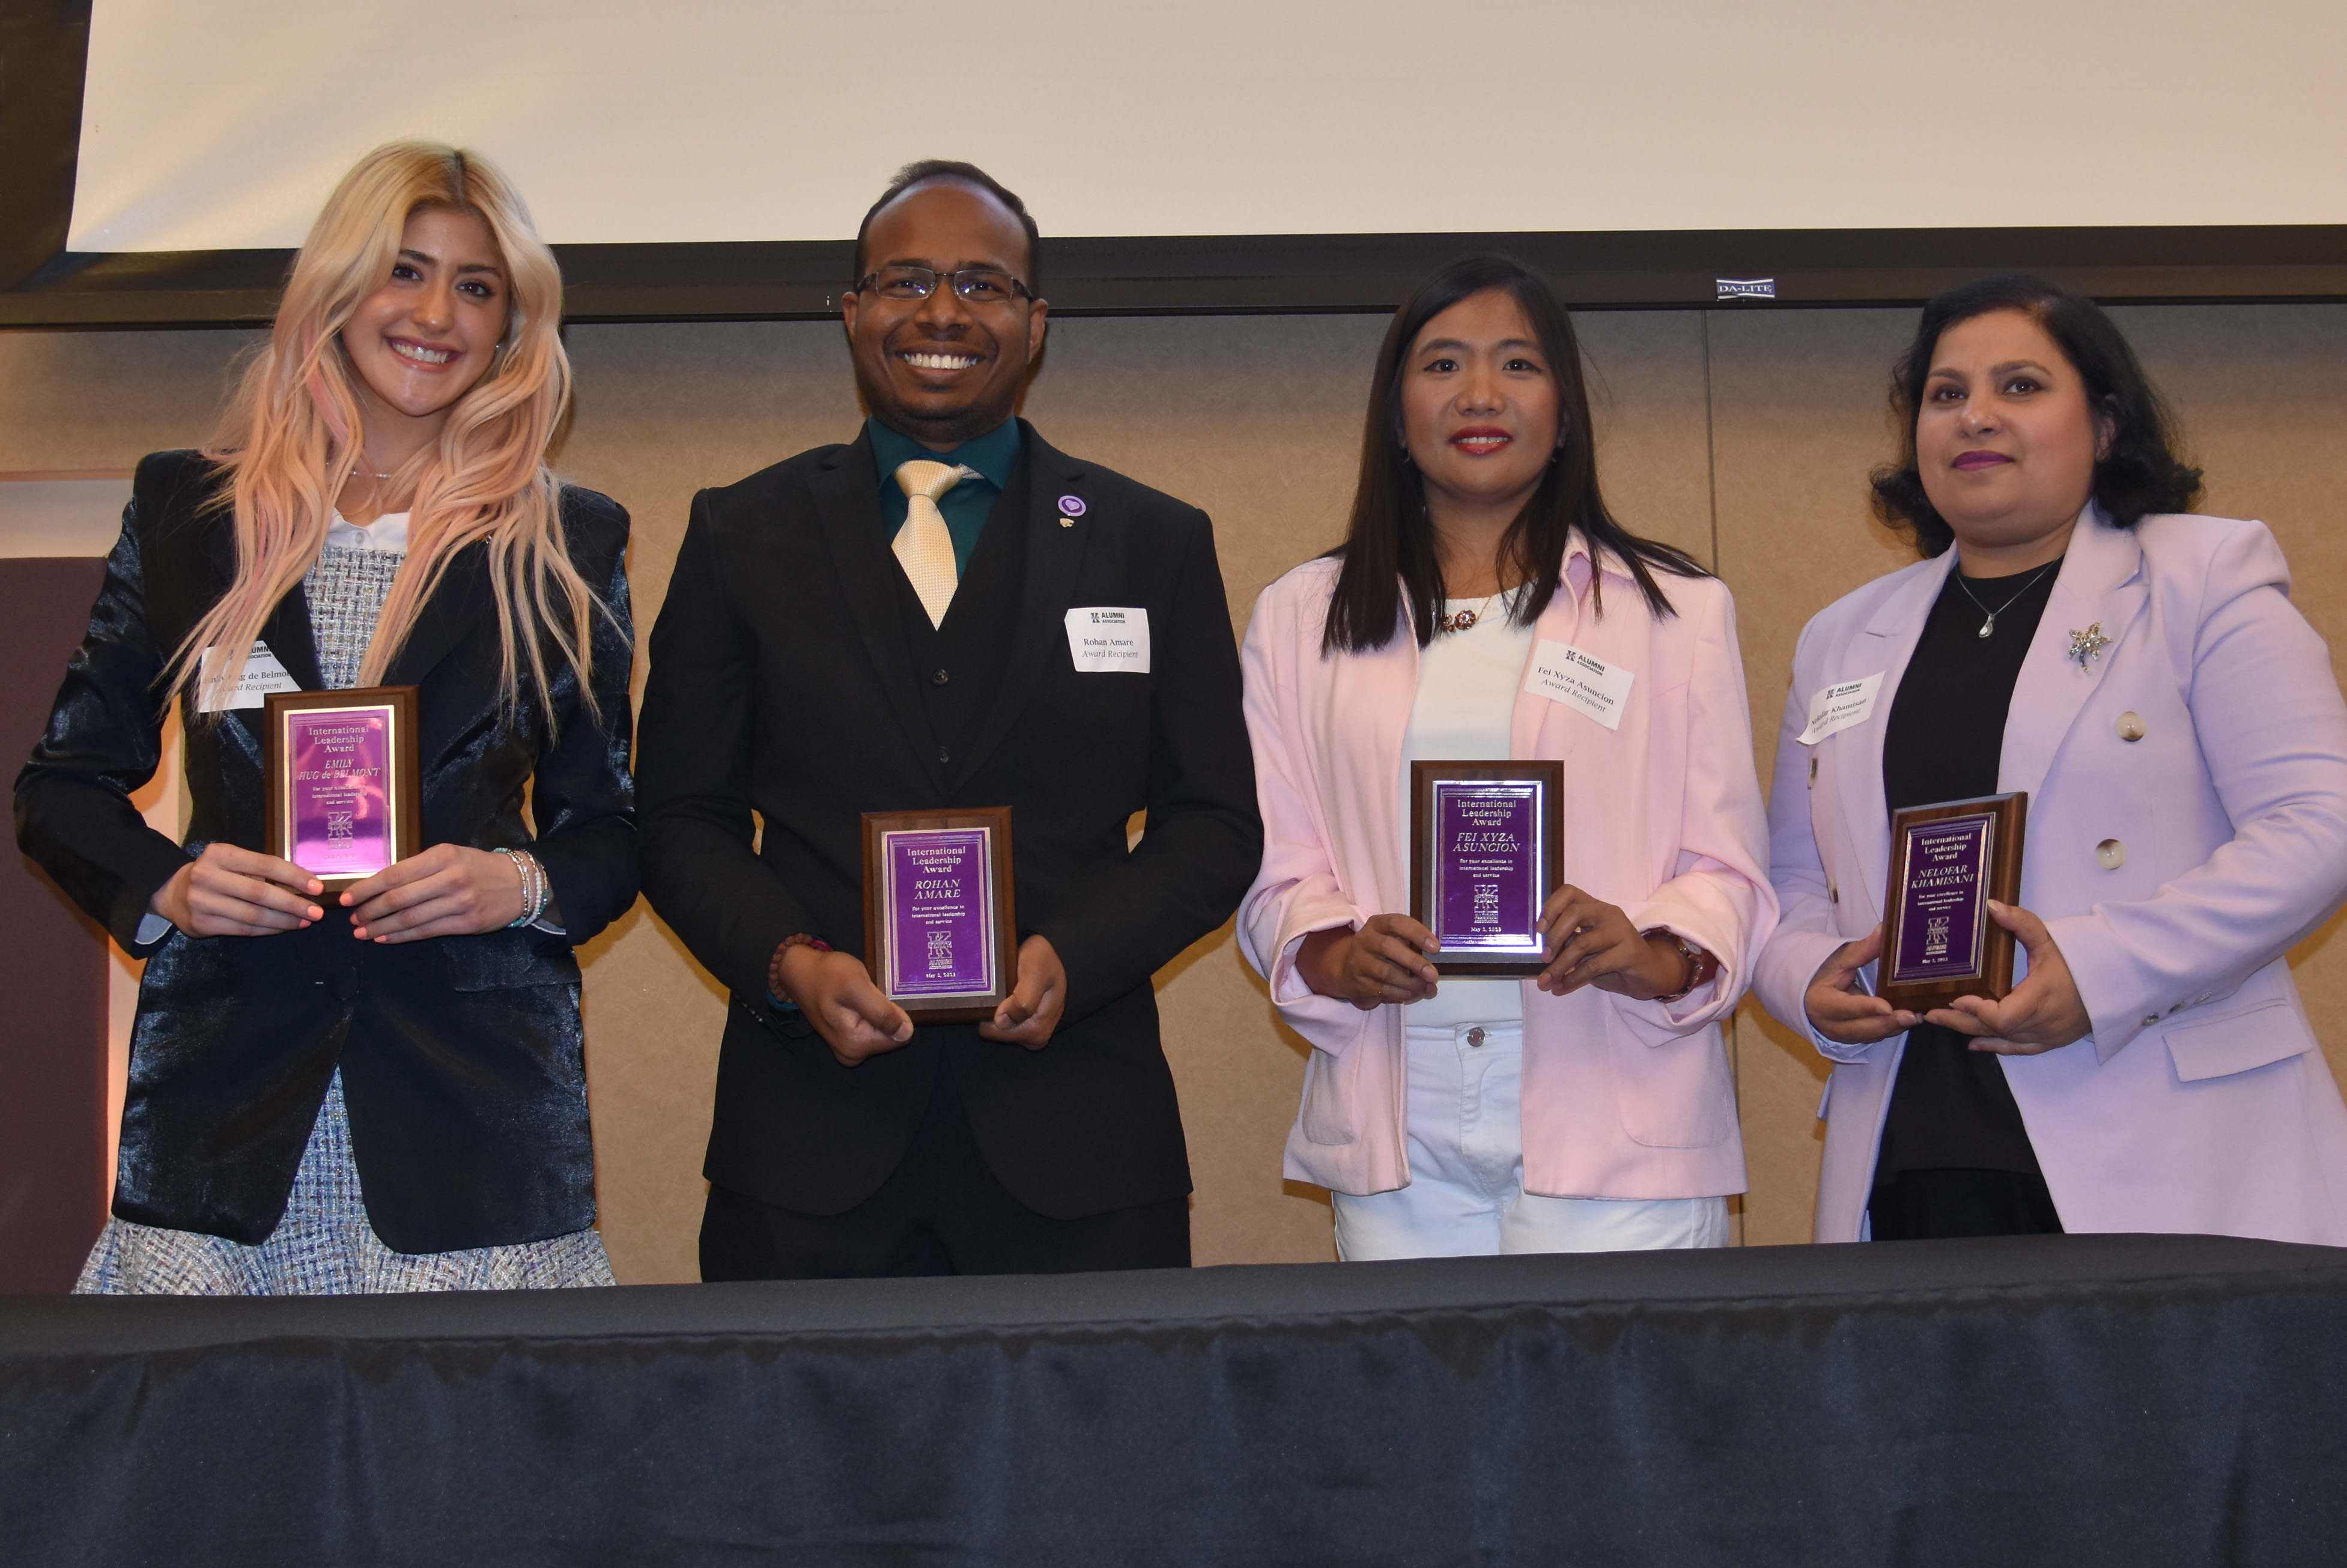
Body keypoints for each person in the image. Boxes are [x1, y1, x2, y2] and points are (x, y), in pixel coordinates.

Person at [14, 142, 637, 1293]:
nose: (435, 313)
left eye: (477, 286)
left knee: (472, 1472)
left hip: (475, 1128)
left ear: (511, 326)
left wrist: (522, 884)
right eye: (405, 271)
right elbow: (62, 787)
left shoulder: (566, 540)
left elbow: (612, 829)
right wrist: (169, 885)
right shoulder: (194, 513)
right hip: (221, 1118)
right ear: (340, 289)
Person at [635, 160, 1260, 1279]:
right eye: (904, 281)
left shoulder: (1150, 539)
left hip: (1082, 1148)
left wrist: (1079, 953)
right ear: (851, 312)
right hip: (806, 1152)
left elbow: (1212, 821)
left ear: (1036, 324)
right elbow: (681, 818)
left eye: (984, 284)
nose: (941, 313)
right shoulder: (742, 534)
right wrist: (789, 961)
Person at [1753, 274, 2347, 1244]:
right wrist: (1809, 975)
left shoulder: (2202, 577)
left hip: (2166, 1136)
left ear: (2105, 425)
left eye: (2021, 386)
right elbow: (1790, 879)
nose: (1975, 415)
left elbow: (2321, 822)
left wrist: (2103, 968)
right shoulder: (1843, 636)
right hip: (1916, 1142)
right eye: (1946, 395)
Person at [1236, 255, 1775, 1260]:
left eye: (1518, 365)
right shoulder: (1300, 616)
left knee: (1622, 1420)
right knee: (1421, 1419)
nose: (1480, 395)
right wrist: (1338, 952)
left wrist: (1649, 948)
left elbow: (1729, 867)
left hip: (1611, 1094)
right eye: (1442, 364)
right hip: (1400, 1112)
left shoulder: (1676, 613)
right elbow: (1277, 867)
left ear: (1564, 409)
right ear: (1397, 415)